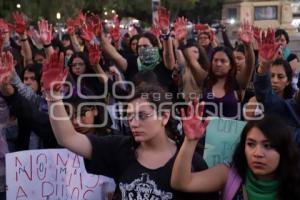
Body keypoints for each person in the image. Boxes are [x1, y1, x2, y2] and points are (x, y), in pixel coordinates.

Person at [43, 52, 217, 200]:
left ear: (164, 116)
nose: (134, 123)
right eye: (129, 116)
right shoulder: (120, 148)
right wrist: (54, 97)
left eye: (142, 116)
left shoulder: (190, 161)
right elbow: (67, 138)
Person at [171, 101, 300, 199]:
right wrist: (190, 141)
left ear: (283, 149)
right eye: (251, 144)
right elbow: (181, 183)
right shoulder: (230, 174)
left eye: (267, 146)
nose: (257, 153)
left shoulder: (295, 181)